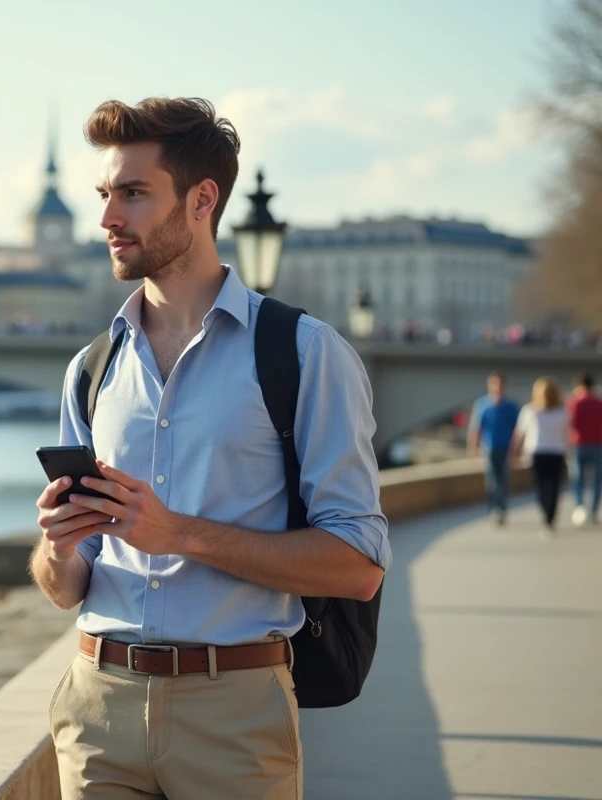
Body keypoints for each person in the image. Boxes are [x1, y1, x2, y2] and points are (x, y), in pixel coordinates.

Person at [29, 97, 390, 800]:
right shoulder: (91, 369)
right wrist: (57, 546)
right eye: (104, 194)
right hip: (97, 705)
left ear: (202, 200)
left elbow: (358, 566)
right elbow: (65, 589)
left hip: (235, 714)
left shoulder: (305, 355)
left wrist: (178, 534)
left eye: (133, 193)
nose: (107, 218)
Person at [513, 377, 570, 536]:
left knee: (541, 486)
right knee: (553, 486)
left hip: (539, 453)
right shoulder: (561, 412)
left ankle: (547, 516)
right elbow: (567, 435)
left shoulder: (530, 411)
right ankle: (550, 517)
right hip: (555, 453)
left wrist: (515, 452)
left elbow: (519, 435)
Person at [467, 372, 522, 524]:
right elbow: (476, 429)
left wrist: (516, 450)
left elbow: (518, 430)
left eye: (500, 383)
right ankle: (494, 508)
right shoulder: (482, 405)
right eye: (494, 383)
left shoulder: (511, 406)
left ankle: (502, 509)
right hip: (489, 447)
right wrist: (474, 449)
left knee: (503, 480)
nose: (497, 386)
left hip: (506, 448)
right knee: (492, 480)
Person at [566, 372, 602, 526]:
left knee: (577, 479)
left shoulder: (574, 403)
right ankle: (593, 510)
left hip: (579, 445)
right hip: (598, 445)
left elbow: (568, 424)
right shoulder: (599, 403)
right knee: (596, 481)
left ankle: (580, 507)